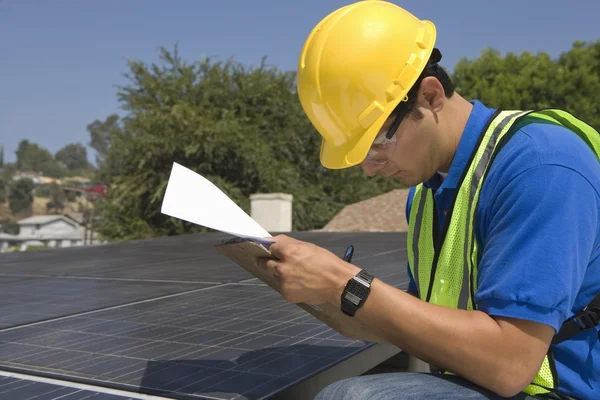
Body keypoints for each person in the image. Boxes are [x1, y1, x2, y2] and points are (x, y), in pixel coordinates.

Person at [257, 1, 599, 399]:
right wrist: (324, 292)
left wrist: (344, 282)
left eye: (378, 142)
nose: (370, 169)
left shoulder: (540, 165)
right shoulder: (425, 194)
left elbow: (511, 365)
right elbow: (415, 326)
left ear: (431, 96)